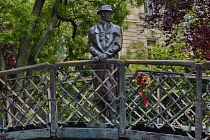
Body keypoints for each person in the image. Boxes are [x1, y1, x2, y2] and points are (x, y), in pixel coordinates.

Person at [88, 5, 123, 125]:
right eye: (108, 13)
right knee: (99, 90)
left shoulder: (116, 28)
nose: (110, 15)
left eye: (111, 13)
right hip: (98, 64)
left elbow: (118, 44)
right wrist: (99, 54)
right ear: (102, 14)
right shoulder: (93, 30)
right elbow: (90, 46)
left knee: (111, 89)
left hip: (111, 63)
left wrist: (106, 55)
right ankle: (101, 117)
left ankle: (113, 117)